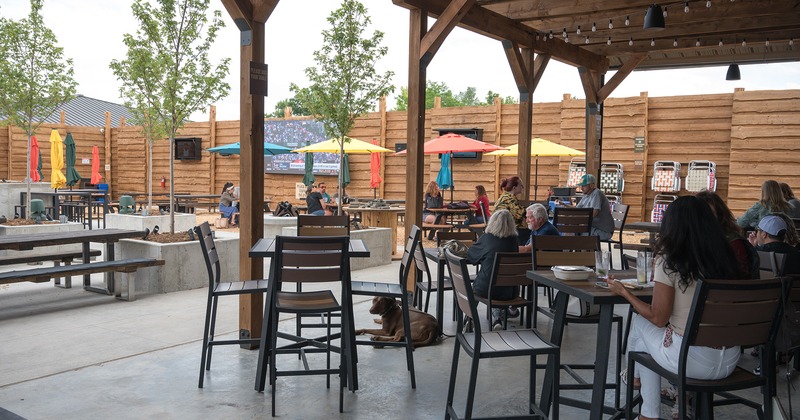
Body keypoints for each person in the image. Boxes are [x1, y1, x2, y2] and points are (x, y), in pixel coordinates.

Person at [605, 196, 745, 420]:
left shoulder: (670, 260)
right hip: (730, 359)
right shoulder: (726, 257)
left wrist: (624, 293)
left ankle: (640, 392)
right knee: (647, 339)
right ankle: (639, 390)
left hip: (692, 361)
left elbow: (658, 318)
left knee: (641, 323)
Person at [466, 209, 519, 331]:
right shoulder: (514, 241)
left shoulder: (487, 238)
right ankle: (497, 320)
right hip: (510, 292)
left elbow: (472, 256)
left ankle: (469, 319)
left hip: (485, 290)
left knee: (480, 286)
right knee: (498, 284)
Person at [696, 191, 759, 278]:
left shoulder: (733, 242)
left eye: (710, 214)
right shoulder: (693, 239)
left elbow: (740, 278)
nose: (705, 218)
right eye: (700, 214)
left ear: (720, 216)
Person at [569, 174, 614, 241]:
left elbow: (594, 213)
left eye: (584, 186)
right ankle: (580, 250)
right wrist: (564, 205)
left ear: (592, 185)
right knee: (573, 230)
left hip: (603, 231)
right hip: (593, 228)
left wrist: (581, 220)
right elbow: (577, 209)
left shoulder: (596, 193)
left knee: (575, 232)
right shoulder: (586, 195)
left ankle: (582, 250)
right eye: (581, 186)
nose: (581, 188)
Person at [494, 176, 529, 245]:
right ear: (514, 187)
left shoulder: (505, 196)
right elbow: (521, 214)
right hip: (505, 230)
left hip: (500, 228)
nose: (522, 187)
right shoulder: (510, 198)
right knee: (531, 234)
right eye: (521, 185)